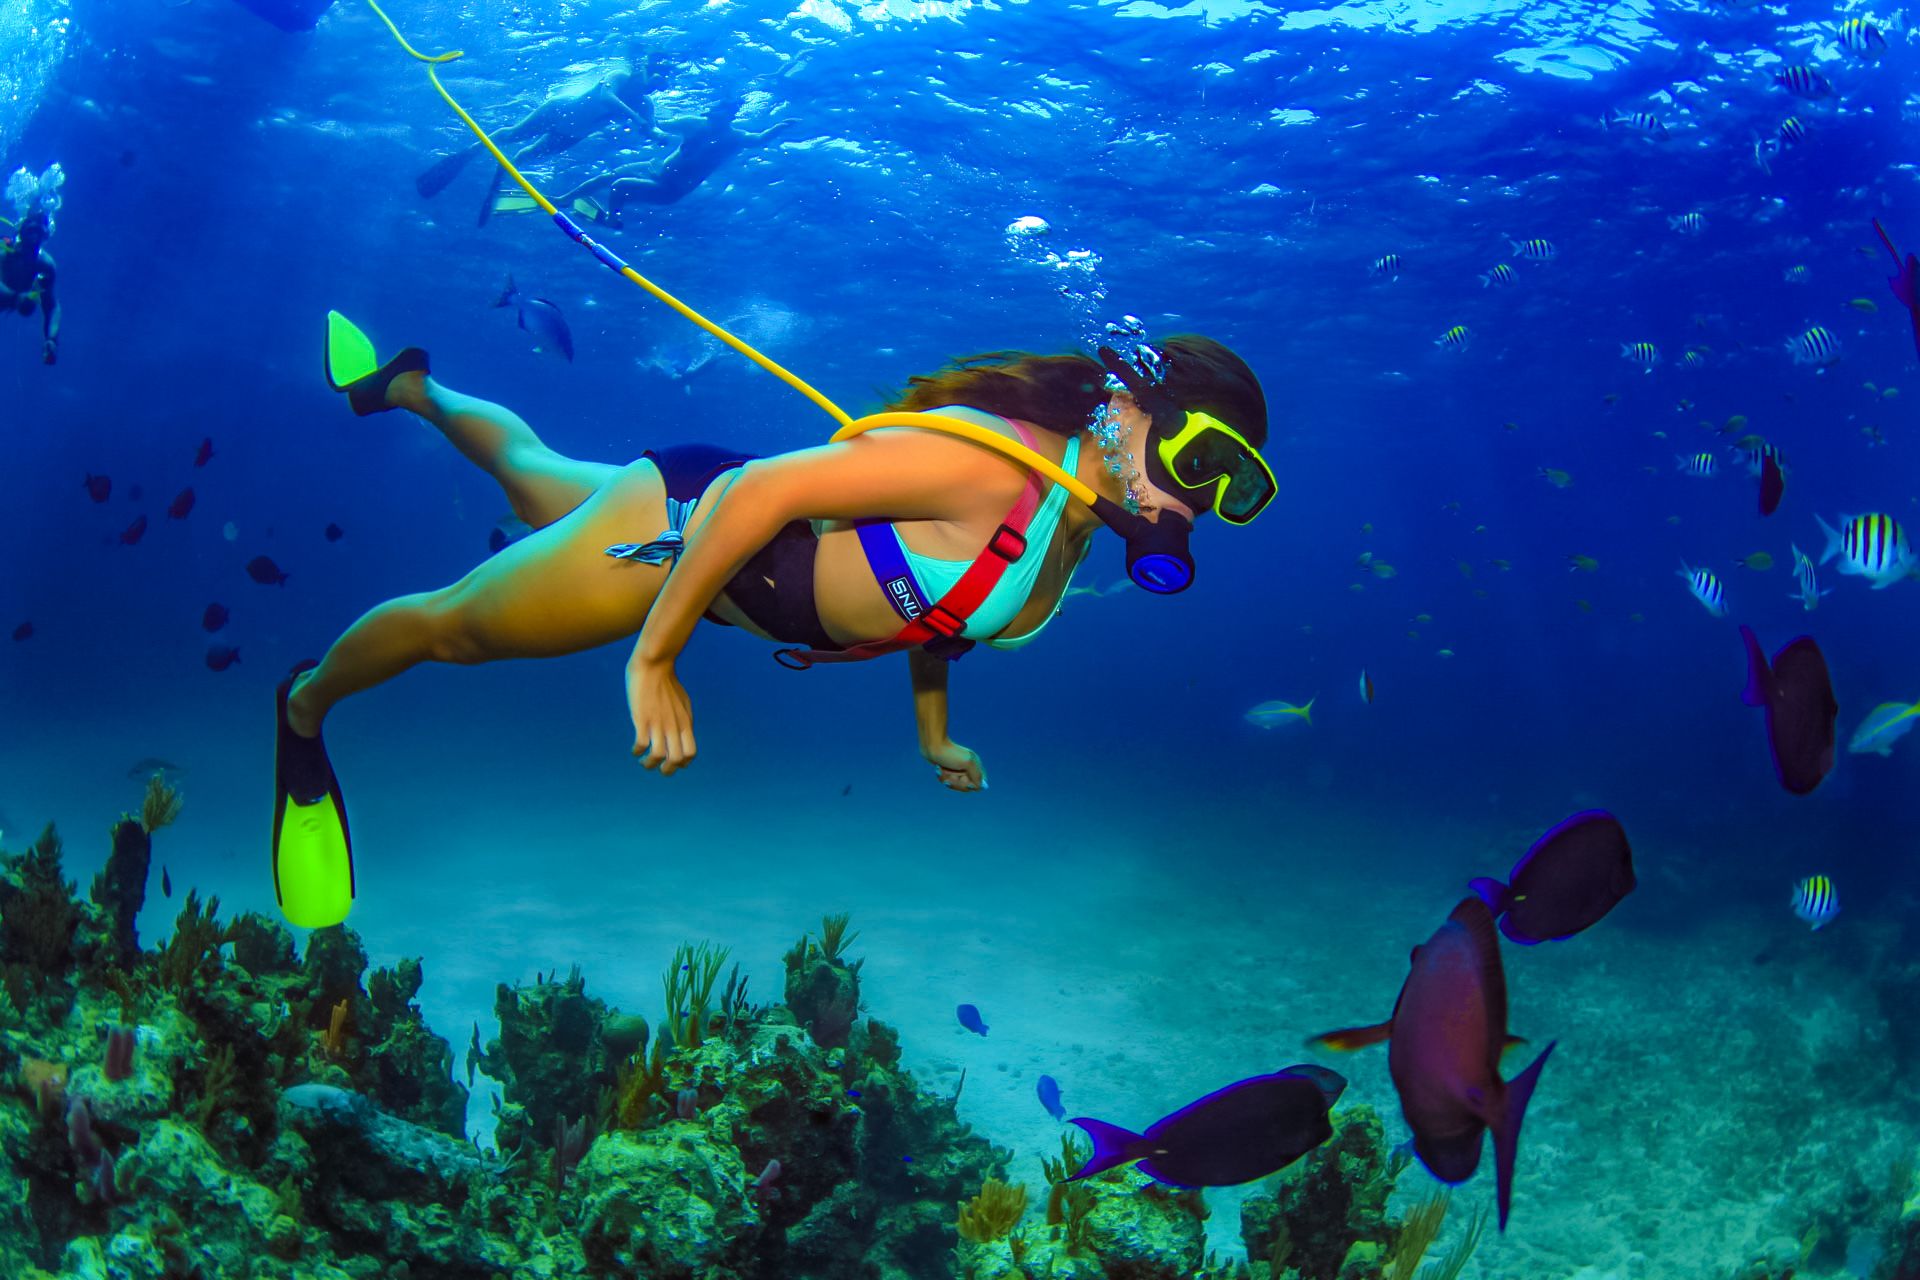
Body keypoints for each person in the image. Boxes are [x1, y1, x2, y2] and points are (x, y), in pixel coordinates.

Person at [272, 311, 1274, 927]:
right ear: (1130, 405)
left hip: (725, 566)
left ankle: (407, 384)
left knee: (535, 479)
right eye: (1200, 461)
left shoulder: (1068, 524)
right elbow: (758, 489)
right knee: (458, 628)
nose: (1195, 506)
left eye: (1232, 490)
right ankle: (306, 705)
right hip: (683, 533)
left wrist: (934, 732)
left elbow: (945, 611)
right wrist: (654, 659)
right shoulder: (991, 461)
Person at [415, 43, 675, 210]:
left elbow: (653, 129)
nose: (655, 85)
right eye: (656, 77)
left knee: (524, 157)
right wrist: (639, 121)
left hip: (573, 133)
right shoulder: (621, 76)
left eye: (661, 83)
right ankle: (469, 153)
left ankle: (495, 183)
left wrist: (661, 136)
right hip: (559, 110)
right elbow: (606, 97)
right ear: (645, 69)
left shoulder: (645, 105)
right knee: (511, 135)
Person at [550, 97, 796, 224]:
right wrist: (641, 115)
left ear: (729, 116)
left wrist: (780, 127)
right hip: (655, 171)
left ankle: (612, 219)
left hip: (670, 189)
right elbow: (657, 125)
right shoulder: (695, 123)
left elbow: (759, 140)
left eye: (722, 112)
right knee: (607, 177)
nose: (714, 115)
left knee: (621, 185)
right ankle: (564, 199)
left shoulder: (734, 137)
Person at [1, 212, 60, 366]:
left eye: (40, 232)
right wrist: (16, 298)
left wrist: (51, 338)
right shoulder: (3, 251)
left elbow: (51, 305)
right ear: (21, 228)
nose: (35, 237)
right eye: (31, 231)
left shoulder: (45, 265)